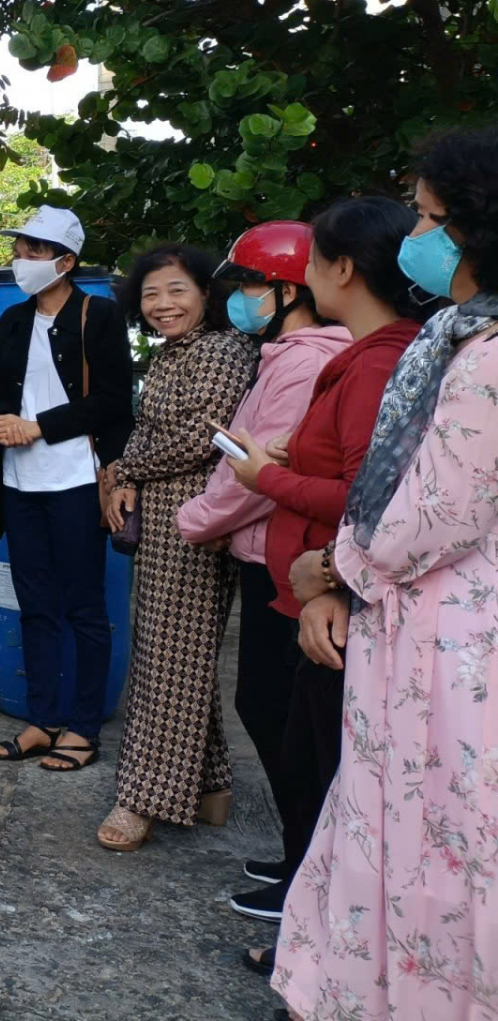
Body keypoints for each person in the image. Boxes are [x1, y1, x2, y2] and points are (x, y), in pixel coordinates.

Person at [273, 128, 498, 1021]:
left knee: (431, 830)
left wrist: (330, 569)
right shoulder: (454, 335)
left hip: (446, 636)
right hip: (417, 616)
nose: (419, 235)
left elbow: (438, 509)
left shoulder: (485, 355)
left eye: (431, 217)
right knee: (391, 819)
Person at [213, 199, 424, 957]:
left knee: (319, 758)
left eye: (309, 262)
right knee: (301, 743)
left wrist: (268, 479)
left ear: (339, 269)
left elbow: (369, 498)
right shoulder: (368, 355)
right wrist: (286, 459)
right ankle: (307, 883)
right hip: (307, 586)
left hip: (332, 596)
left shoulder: (374, 363)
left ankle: (320, 923)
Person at [173, 221, 351, 904]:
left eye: (250, 285)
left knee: (279, 715)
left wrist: (196, 521)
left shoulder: (304, 364)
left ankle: (310, 873)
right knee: (274, 711)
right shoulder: (282, 355)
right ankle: (300, 856)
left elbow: (257, 475)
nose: (239, 299)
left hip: (288, 562)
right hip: (263, 549)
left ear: (287, 291)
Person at [98, 244, 258, 852]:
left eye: (177, 291)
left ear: (206, 295)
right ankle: (212, 785)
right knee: (176, 656)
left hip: (196, 522)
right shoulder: (174, 352)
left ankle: (143, 799)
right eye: (151, 294)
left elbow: (202, 438)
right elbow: (150, 429)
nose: (162, 305)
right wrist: (129, 477)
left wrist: (123, 470)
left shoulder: (221, 349)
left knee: (168, 664)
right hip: (163, 519)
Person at [0, 206, 135, 774]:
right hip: (20, 483)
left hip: (75, 479)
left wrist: (37, 427)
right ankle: (43, 720)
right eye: (19, 249)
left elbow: (113, 401)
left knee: (85, 607)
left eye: (33, 251)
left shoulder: (100, 316)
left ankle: (84, 728)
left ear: (65, 262)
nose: (20, 259)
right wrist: (2, 420)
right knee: (35, 605)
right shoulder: (12, 320)